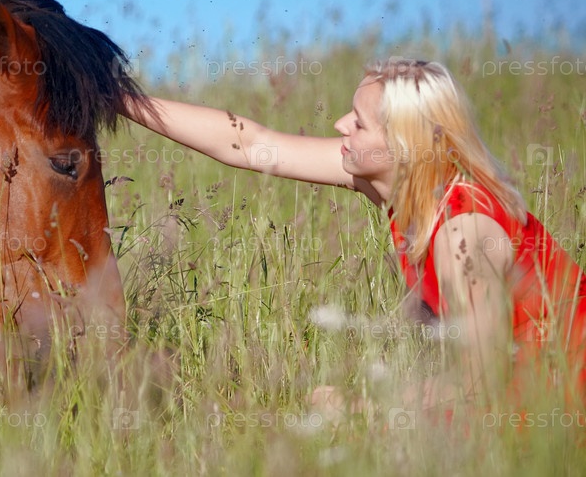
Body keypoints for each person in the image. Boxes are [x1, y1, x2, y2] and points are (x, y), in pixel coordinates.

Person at [119, 58, 586, 414]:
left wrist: (361, 406)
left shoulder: (463, 232)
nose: (341, 124)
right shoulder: (404, 186)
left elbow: (482, 380)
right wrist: (117, 97)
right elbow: (253, 144)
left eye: (359, 122)